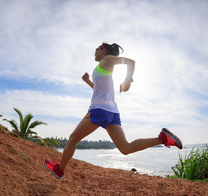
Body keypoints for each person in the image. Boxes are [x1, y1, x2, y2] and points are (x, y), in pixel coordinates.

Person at [45, 43, 182, 179]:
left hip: (99, 110)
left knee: (73, 138)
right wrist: (87, 81)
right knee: (125, 148)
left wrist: (128, 80)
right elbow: (99, 90)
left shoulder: (108, 60)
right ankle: (162, 139)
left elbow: (130, 62)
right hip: (111, 112)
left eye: (97, 49)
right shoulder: (101, 66)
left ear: (103, 50)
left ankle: (59, 170)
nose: (94, 51)